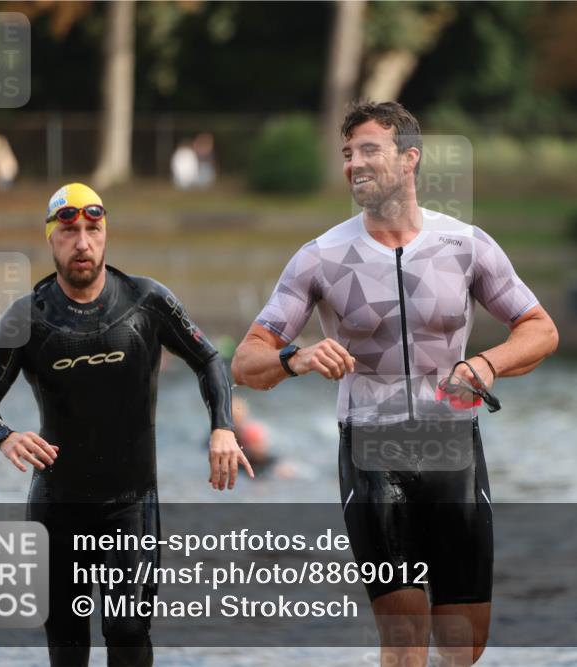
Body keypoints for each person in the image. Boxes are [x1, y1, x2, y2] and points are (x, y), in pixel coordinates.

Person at [231, 101, 558, 665]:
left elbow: (540, 330)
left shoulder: (466, 245)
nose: (354, 164)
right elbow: (246, 360)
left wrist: (484, 365)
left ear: (410, 158)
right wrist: (297, 359)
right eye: (347, 153)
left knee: (464, 646)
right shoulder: (321, 258)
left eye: (368, 150)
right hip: (372, 449)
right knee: (404, 639)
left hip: (452, 447)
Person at [0, 182, 251, 667]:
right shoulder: (26, 317)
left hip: (131, 506)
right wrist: (5, 435)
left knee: (127, 629)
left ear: (105, 233)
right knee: (68, 647)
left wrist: (222, 426)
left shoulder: (147, 300)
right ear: (50, 237)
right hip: (58, 509)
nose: (82, 242)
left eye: (92, 229)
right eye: (69, 230)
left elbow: (209, 360)